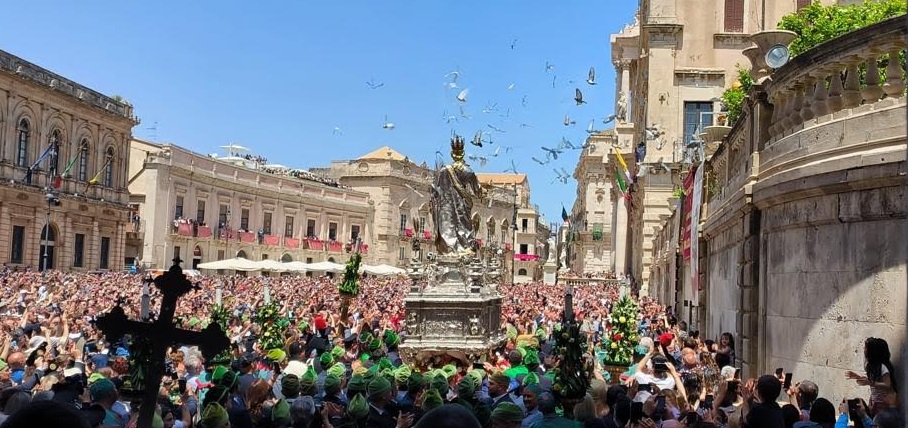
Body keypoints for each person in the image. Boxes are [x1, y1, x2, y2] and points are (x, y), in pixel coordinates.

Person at [431, 135, 485, 255]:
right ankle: (465, 248)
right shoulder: (469, 171)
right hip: (463, 205)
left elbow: (436, 190)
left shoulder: (444, 170)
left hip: (447, 205)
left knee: (449, 225)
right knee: (464, 225)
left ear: (452, 153)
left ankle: (450, 249)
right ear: (463, 153)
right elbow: (478, 191)